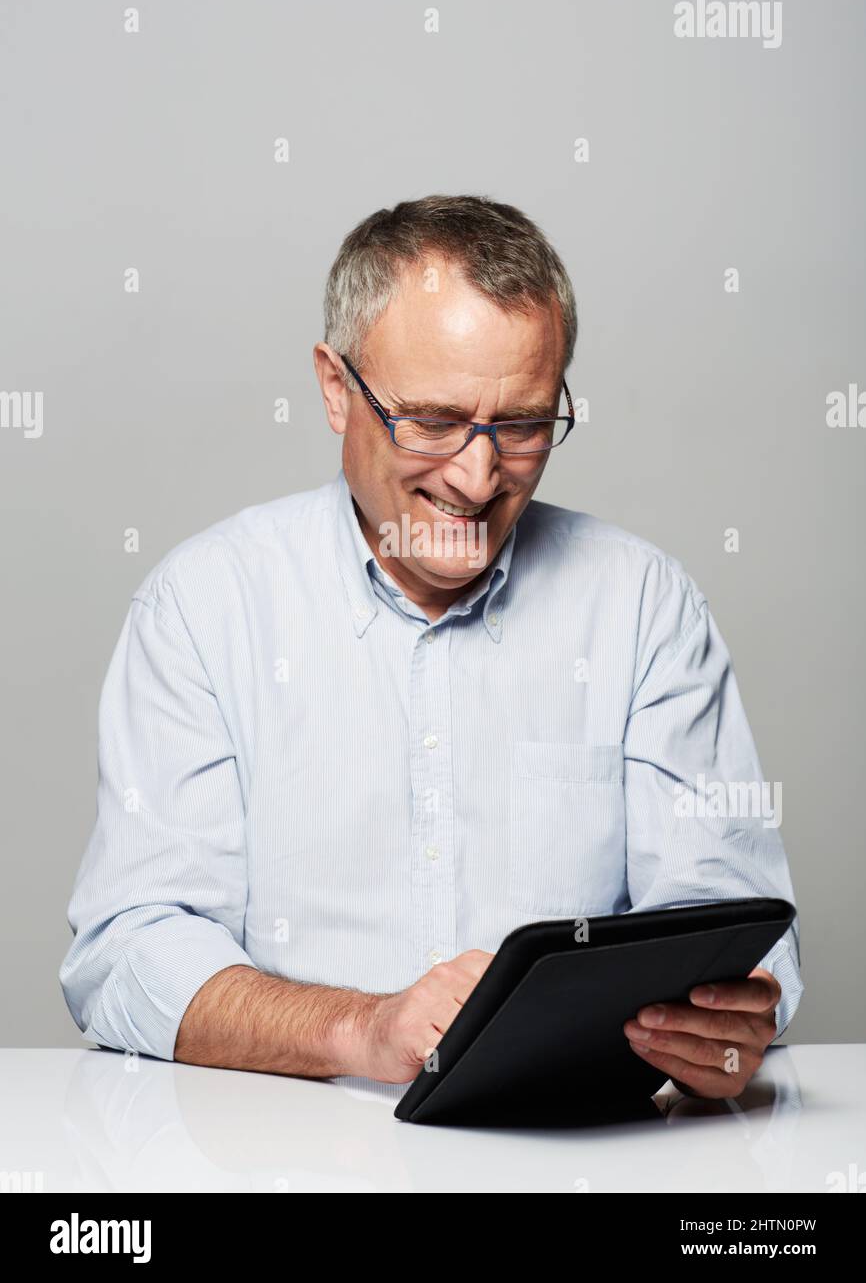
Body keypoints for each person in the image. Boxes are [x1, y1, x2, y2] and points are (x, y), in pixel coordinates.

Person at [60, 195, 803, 1100]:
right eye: (434, 422)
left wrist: (727, 1015)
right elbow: (129, 954)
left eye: (523, 426)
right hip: (281, 1164)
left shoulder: (646, 607)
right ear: (337, 390)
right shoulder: (203, 607)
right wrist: (362, 1028)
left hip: (583, 1164)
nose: (477, 476)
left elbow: (725, 916)